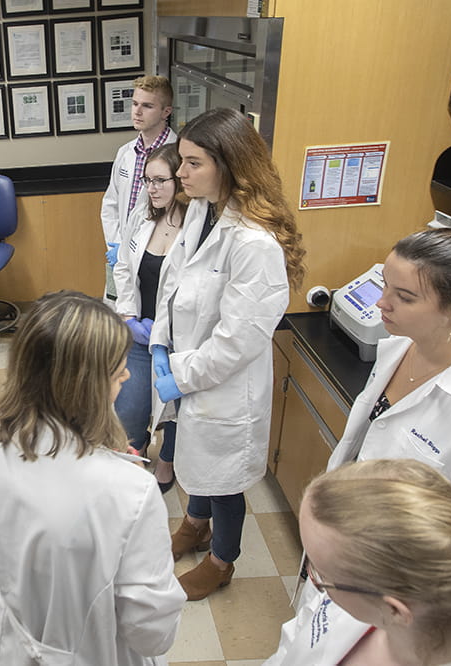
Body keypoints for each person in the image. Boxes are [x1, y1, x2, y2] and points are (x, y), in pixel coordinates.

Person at [0, 291, 186, 665]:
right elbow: (153, 632)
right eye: (117, 373)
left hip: (17, 639)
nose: (128, 375)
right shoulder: (129, 492)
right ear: (86, 386)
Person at [150, 107, 306, 600]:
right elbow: (173, 281)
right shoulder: (202, 209)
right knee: (195, 459)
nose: (180, 173)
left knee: (224, 478)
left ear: (228, 164)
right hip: (190, 365)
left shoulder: (254, 243)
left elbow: (239, 340)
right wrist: (159, 343)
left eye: (193, 163)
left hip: (224, 382)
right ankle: (195, 526)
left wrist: (180, 374)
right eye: (182, 161)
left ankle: (222, 562)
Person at [326, 227, 451, 535]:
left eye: (404, 297)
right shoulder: (402, 346)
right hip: (345, 533)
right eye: (386, 286)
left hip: (403, 573)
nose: (382, 303)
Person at [265, 458, 451, 665]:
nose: (315, 581)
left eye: (321, 575)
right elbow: (297, 639)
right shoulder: (363, 596)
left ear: (395, 610)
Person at [112, 143, 186, 492]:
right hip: (140, 331)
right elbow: (124, 267)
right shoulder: (143, 214)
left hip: (181, 338)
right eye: (147, 180)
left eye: (160, 181)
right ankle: (135, 454)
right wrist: (128, 315)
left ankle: (167, 464)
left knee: (175, 410)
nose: (151, 188)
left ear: (180, 181)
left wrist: (166, 330)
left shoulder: (197, 226)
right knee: (130, 407)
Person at [101, 75, 176, 302]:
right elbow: (111, 203)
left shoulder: (177, 156)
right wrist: (117, 245)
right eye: (135, 104)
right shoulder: (126, 153)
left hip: (155, 254)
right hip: (120, 250)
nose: (137, 112)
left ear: (166, 112)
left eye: (147, 106)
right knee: (119, 315)